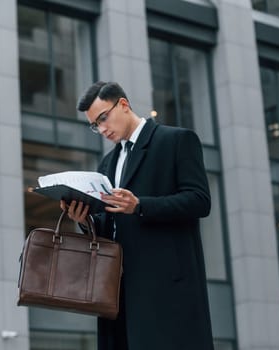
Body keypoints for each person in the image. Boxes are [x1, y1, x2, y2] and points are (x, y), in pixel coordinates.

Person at [60, 81, 214, 350]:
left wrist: (140, 205)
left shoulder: (176, 140)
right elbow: (111, 224)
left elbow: (200, 201)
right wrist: (85, 220)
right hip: (116, 290)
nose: (102, 129)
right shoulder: (107, 163)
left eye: (103, 118)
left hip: (165, 287)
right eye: (95, 125)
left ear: (123, 104)